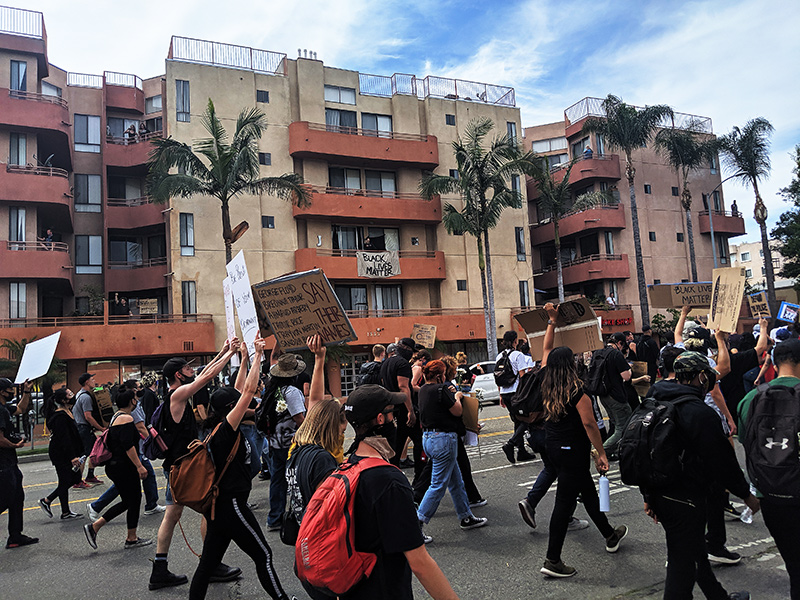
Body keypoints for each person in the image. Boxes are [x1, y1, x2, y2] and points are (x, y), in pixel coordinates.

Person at [644, 351, 758, 600]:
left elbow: (642, 450)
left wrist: (648, 495)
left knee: (694, 553)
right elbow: (722, 462)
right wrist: (746, 495)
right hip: (686, 498)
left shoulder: (654, 401)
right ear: (699, 377)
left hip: (660, 492)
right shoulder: (699, 413)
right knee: (681, 567)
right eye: (707, 376)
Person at [189, 337, 292, 600]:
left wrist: (244, 358)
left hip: (219, 507)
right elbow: (245, 394)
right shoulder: (225, 430)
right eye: (237, 406)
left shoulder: (217, 426)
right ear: (230, 410)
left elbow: (238, 390)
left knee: (207, 564)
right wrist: (259, 354)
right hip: (231, 504)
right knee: (264, 556)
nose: (245, 407)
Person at [339, 384, 461, 599]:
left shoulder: (348, 466)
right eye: (392, 413)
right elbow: (420, 562)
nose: (395, 419)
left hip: (352, 586)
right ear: (380, 419)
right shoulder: (389, 481)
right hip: (384, 589)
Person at [534, 304, 627, 578]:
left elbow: (546, 351)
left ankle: (610, 534)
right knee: (564, 504)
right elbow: (589, 424)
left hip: (553, 447)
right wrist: (601, 453)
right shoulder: (578, 390)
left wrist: (552, 322)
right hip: (573, 450)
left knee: (587, 494)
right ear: (571, 364)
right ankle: (552, 560)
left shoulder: (544, 379)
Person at [149, 343, 241, 590]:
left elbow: (203, 373)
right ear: (178, 374)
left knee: (173, 514)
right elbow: (208, 376)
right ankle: (210, 565)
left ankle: (159, 569)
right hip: (185, 467)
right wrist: (231, 354)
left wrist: (222, 353)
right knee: (209, 508)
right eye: (187, 367)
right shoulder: (177, 395)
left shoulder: (177, 393)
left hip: (176, 467)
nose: (192, 370)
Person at [739, 338, 800, 599]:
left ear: (773, 363)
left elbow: (745, 441)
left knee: (794, 564)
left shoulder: (751, 398)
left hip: (771, 494)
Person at [416, 360, 487, 537]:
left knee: (456, 481)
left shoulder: (424, 389)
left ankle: (466, 517)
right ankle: (417, 524)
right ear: (440, 375)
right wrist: (457, 397)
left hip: (429, 438)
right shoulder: (441, 390)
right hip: (444, 440)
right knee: (438, 485)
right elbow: (457, 411)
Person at [82, 389, 152, 550]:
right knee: (133, 500)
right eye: (135, 399)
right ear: (131, 401)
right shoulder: (126, 419)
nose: (137, 401)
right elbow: (128, 446)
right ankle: (128, 537)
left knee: (130, 501)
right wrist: (139, 466)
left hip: (116, 466)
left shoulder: (116, 417)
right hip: (123, 466)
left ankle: (102, 529)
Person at [88, 380, 164, 520]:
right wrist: (140, 463)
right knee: (129, 496)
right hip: (127, 460)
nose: (141, 391)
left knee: (134, 490)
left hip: (127, 459)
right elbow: (129, 444)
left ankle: (150, 506)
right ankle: (96, 514)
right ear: (131, 395)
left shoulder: (124, 413)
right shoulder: (126, 417)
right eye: (138, 388)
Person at [265, 353, 307, 531]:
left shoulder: (272, 390)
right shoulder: (292, 392)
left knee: (278, 480)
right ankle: (299, 517)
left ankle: (274, 517)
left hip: (275, 442)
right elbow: (299, 417)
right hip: (291, 442)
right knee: (297, 480)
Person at [0, 377, 38, 549]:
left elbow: (21, 408)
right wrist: (14, 444)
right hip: (3, 464)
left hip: (9, 462)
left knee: (16, 498)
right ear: (2, 391)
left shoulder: (5, 408)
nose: (11, 392)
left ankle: (15, 536)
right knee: (5, 499)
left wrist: (27, 391)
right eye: (10, 389)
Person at [39, 388, 84, 520]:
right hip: (61, 453)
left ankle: (65, 512)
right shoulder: (60, 417)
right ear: (64, 400)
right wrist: (72, 456)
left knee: (66, 480)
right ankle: (47, 500)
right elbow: (64, 439)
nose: (73, 396)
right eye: (70, 395)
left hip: (66, 452)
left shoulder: (67, 412)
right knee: (71, 479)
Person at [498, 330, 535, 464]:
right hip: (517, 393)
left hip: (505, 393)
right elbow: (522, 375)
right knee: (527, 419)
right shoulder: (518, 355)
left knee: (517, 421)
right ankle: (511, 444)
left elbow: (497, 376)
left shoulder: (499, 356)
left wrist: (501, 394)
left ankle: (521, 451)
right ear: (515, 341)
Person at [380, 338, 417, 468]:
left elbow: (385, 385)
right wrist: (410, 411)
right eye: (412, 351)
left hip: (391, 408)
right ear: (407, 349)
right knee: (418, 441)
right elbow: (403, 387)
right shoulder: (403, 364)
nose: (412, 354)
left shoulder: (386, 363)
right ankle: (420, 473)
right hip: (402, 408)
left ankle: (395, 468)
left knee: (397, 443)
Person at [594, 333, 632, 458]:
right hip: (616, 395)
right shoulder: (616, 354)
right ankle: (601, 451)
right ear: (620, 343)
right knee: (623, 427)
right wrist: (630, 369)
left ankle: (610, 452)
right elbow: (626, 377)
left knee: (615, 424)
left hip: (603, 395)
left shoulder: (598, 353)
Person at [72, 373, 105, 487]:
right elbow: (88, 416)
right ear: (87, 382)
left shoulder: (79, 394)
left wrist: (101, 389)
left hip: (80, 427)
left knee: (92, 452)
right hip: (83, 428)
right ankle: (77, 481)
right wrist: (101, 428)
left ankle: (90, 475)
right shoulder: (85, 397)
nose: (94, 381)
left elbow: (99, 388)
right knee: (84, 454)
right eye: (92, 379)